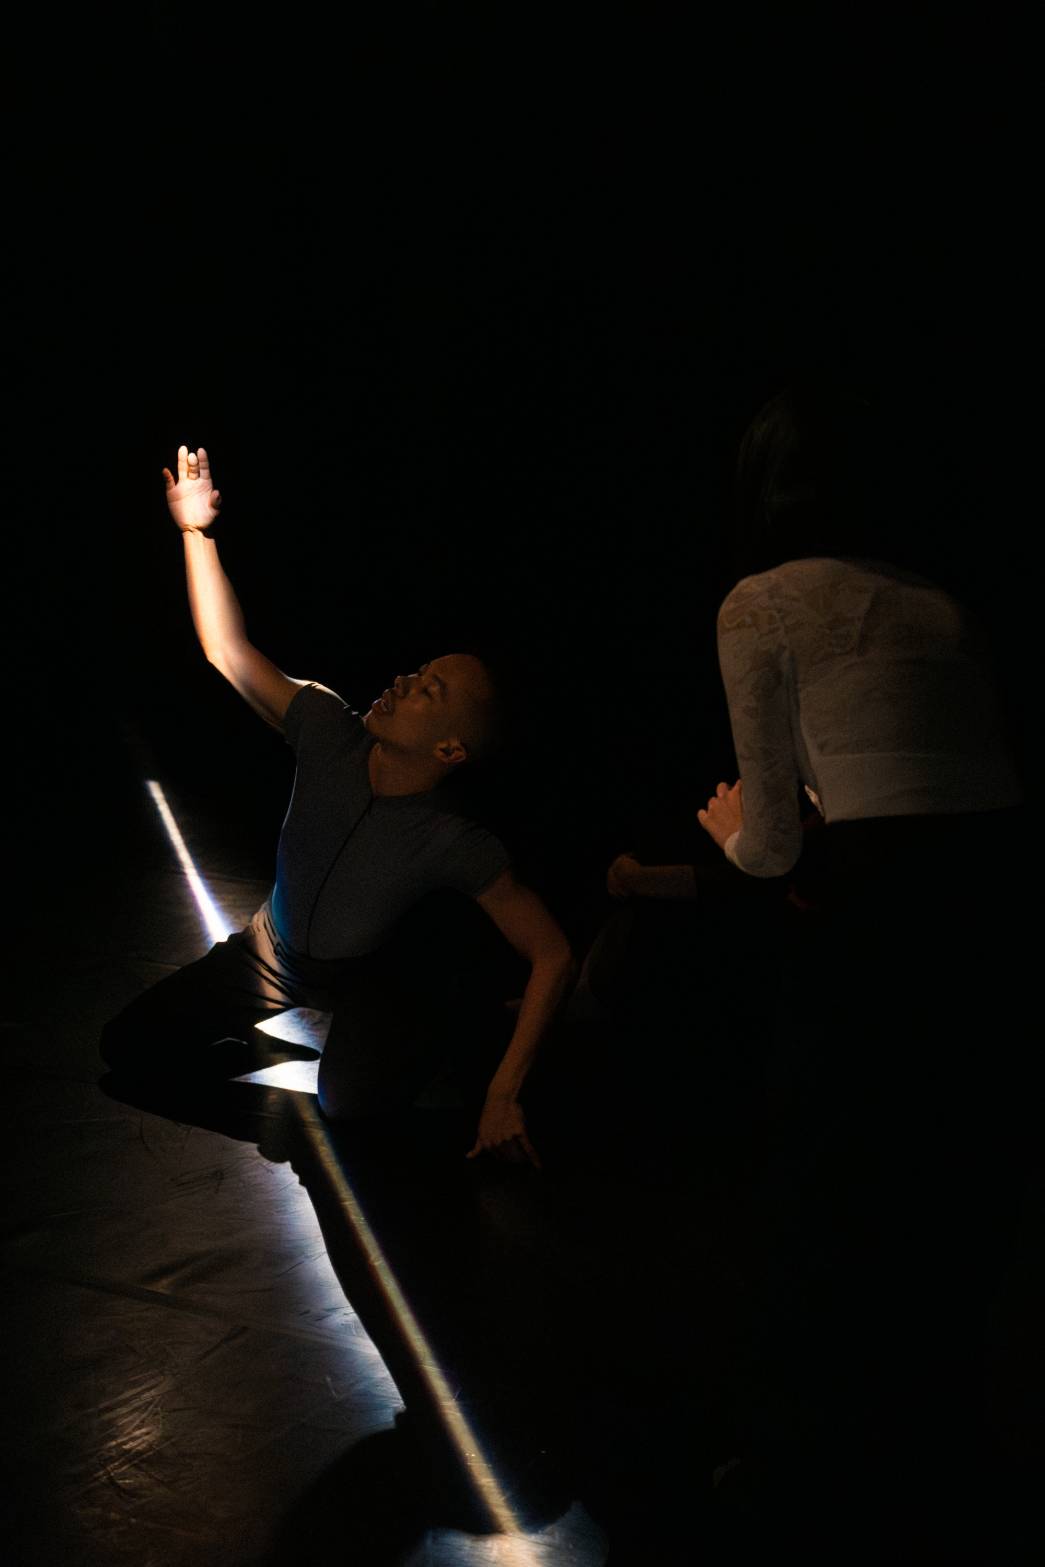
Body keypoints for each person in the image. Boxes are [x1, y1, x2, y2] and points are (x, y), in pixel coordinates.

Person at [694, 383, 1035, 1555]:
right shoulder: (941, 604)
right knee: (951, 1184)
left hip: (881, 909)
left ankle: (800, 1465)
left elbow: (774, 843)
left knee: (824, 1183)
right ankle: (942, 1449)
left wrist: (726, 832)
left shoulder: (759, 602)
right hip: (996, 894)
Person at [101, 445, 575, 1169]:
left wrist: (504, 1090)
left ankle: (452, 1026)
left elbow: (552, 953)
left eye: (428, 690)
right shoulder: (327, 725)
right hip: (272, 955)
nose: (404, 682)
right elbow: (226, 649)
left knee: (347, 1106)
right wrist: (196, 532)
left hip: (369, 980)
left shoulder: (453, 838)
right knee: (128, 1048)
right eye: (417, 671)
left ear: (450, 749)